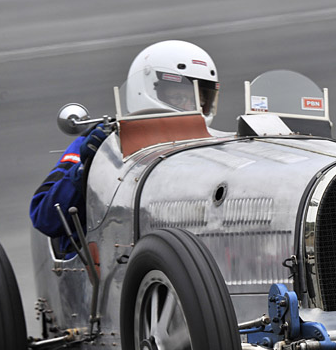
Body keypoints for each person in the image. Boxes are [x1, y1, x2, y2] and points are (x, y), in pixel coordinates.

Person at [29, 40, 219, 252]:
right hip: (110, 260)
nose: (190, 107)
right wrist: (87, 168)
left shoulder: (211, 150)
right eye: (178, 96)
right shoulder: (100, 143)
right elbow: (45, 218)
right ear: (146, 89)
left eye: (198, 100)